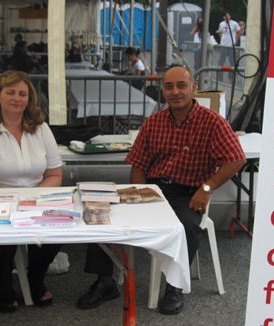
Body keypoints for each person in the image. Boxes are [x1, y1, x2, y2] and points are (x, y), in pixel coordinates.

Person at [77, 65, 246, 314]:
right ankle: (105, 281)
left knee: (186, 225)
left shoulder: (212, 122)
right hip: (152, 188)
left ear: (193, 88)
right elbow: (138, 163)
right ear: (163, 91)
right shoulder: (154, 122)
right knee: (100, 213)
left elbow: (236, 158)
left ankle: (175, 287)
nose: (175, 91)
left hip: (188, 192)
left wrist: (207, 188)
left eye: (181, 85)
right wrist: (142, 191)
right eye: (169, 87)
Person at [0, 70, 63, 313]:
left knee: (58, 227)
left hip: (37, 196)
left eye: (23, 94)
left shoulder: (41, 129)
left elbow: (54, 175)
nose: (17, 98)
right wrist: (14, 202)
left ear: (29, 99)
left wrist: (33, 199)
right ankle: (3, 283)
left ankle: (35, 278)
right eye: (10, 92)